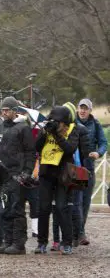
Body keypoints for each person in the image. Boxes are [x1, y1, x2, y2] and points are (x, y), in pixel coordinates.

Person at [35, 106, 89, 255]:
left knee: (61, 207)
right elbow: (36, 146)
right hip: (46, 172)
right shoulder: (47, 128)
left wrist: (56, 135)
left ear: (63, 122)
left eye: (56, 121)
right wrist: (45, 133)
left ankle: (67, 242)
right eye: (51, 120)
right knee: (44, 208)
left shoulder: (73, 129)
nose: (52, 123)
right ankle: (41, 242)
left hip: (63, 174)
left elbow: (70, 149)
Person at [0, 96, 35, 254]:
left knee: (16, 209)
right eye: (3, 110)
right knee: (4, 208)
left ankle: (19, 244)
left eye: (7, 110)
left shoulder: (23, 128)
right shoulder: (0, 127)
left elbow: (30, 152)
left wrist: (26, 172)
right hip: (3, 174)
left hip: (18, 174)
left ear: (14, 111)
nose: (4, 113)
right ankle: (8, 240)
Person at [75, 98, 107, 245]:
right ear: (77, 109)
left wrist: (98, 153)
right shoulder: (72, 123)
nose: (82, 111)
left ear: (90, 110)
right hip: (75, 168)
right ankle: (78, 233)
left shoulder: (96, 124)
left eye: (85, 108)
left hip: (89, 167)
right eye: (81, 108)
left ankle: (80, 232)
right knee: (77, 200)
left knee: (86, 202)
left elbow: (103, 143)